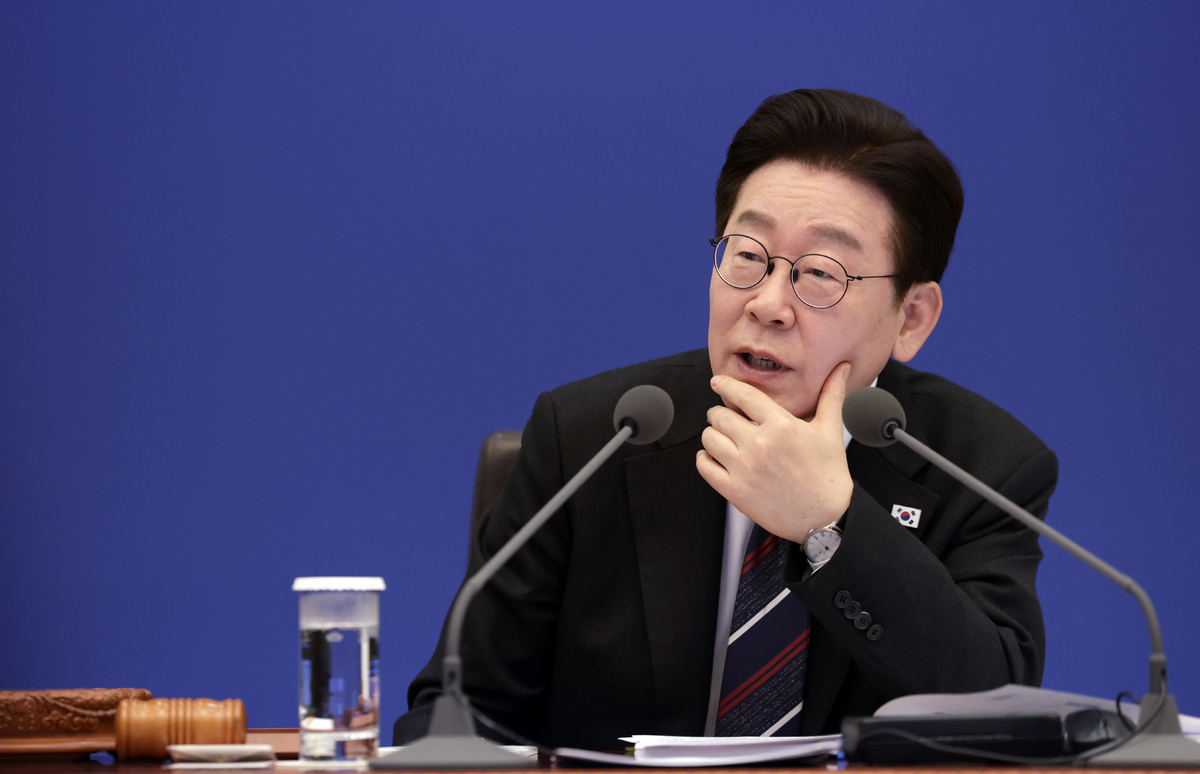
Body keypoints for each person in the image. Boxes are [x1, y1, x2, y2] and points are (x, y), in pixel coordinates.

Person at [393, 89, 1057, 749]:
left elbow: (994, 718)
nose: (768, 304)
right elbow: (457, 713)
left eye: (820, 273)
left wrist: (832, 525)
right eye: (748, 255)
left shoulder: (982, 468)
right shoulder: (593, 437)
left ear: (911, 318)